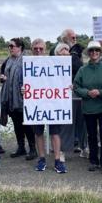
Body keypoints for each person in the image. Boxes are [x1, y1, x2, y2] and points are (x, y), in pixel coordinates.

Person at [74, 41, 102, 174]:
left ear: (100, 52)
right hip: (89, 107)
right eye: (92, 51)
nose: (94, 53)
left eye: (97, 50)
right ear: (88, 53)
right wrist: (87, 93)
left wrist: (100, 92)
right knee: (91, 136)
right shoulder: (82, 70)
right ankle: (93, 161)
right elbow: (76, 86)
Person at [31, 40, 66, 172]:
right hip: (36, 104)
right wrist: (23, 89)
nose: (38, 51)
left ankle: (57, 160)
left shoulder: (52, 63)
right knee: (38, 132)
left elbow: (61, 80)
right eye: (35, 48)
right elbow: (23, 82)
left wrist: (67, 86)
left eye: (41, 48)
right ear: (32, 49)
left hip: (53, 103)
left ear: (45, 49)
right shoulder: (28, 64)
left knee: (55, 132)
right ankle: (41, 159)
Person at [0, 38, 37, 161]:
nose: (10, 48)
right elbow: (2, 74)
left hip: (23, 99)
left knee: (27, 125)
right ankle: (21, 147)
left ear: (20, 47)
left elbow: (35, 79)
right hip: (10, 98)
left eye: (12, 46)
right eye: (9, 46)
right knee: (16, 124)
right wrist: (1, 77)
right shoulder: (8, 60)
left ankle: (33, 149)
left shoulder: (27, 60)